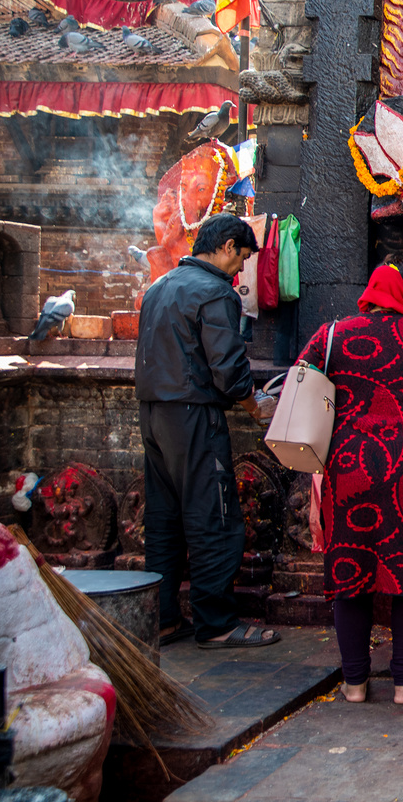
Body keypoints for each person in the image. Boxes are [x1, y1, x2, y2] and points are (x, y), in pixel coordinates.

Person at [297, 258, 403, 704]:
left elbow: (300, 385)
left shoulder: (331, 335)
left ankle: (354, 682)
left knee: (349, 567)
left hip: (347, 465)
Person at [135, 213, 279, 649]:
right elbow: (229, 368)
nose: (241, 270)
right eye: (243, 258)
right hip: (194, 416)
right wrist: (255, 407)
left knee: (163, 520)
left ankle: (162, 618)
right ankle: (215, 623)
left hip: (154, 414)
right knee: (213, 515)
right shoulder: (214, 292)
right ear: (229, 246)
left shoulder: (159, 288)